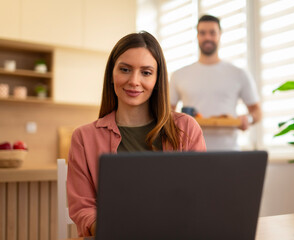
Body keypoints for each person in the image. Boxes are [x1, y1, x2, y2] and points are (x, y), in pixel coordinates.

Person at [67, 31, 206, 237]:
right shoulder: (83, 138)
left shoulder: (186, 128)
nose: (134, 81)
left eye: (146, 72)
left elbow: (201, 196)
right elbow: (83, 209)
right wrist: (113, 230)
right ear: (111, 75)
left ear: (157, 79)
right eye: (125, 69)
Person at [170, 15, 262, 150]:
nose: (207, 37)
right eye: (202, 33)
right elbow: (167, 112)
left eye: (212, 32)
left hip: (229, 153)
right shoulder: (178, 75)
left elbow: (257, 112)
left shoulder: (239, 73)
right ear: (197, 36)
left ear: (220, 35)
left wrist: (247, 119)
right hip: (190, 153)